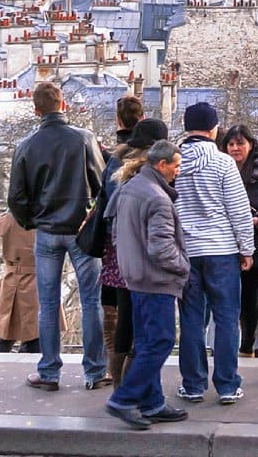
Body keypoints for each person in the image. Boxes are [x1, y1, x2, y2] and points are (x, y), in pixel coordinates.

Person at [6, 80, 107, 391]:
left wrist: (31, 220)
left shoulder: (26, 145)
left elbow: (16, 197)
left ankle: (49, 371)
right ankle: (94, 371)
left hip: (47, 230)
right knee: (91, 301)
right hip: (80, 230)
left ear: (36, 110)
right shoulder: (83, 139)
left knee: (48, 303)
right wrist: (91, 217)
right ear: (63, 105)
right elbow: (102, 184)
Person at [101, 139, 192, 431]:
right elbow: (161, 249)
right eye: (176, 165)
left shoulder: (130, 188)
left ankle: (152, 402)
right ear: (162, 164)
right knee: (161, 341)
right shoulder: (157, 199)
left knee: (146, 343)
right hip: (156, 281)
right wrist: (184, 267)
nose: (179, 171)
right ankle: (124, 398)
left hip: (135, 277)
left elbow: (116, 233)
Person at [173, 101, 255, 405]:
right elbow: (239, 211)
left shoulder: (174, 162)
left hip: (186, 250)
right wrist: (247, 248)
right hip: (221, 250)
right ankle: (227, 384)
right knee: (226, 318)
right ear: (214, 129)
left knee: (192, 318)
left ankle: (193, 384)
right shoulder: (223, 164)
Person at [101, 118, 168, 385]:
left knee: (124, 313)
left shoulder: (115, 161)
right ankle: (128, 380)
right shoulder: (140, 172)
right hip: (134, 248)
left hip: (115, 249)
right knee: (138, 316)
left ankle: (118, 375)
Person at [218, 124, 258, 360]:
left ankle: (247, 346)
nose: (235, 148)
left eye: (240, 143)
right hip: (227, 241)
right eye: (231, 144)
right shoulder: (222, 170)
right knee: (237, 297)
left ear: (250, 145)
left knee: (250, 294)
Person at [96, 97, 141, 374]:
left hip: (116, 240)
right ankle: (127, 368)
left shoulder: (116, 156)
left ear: (118, 120)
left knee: (115, 303)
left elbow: (107, 197)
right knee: (133, 307)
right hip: (137, 241)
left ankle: (116, 369)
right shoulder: (148, 152)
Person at [0, 213, 38, 354]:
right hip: (36, 278)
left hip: (13, 278)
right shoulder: (43, 216)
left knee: (8, 332)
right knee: (35, 333)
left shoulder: (7, 219)